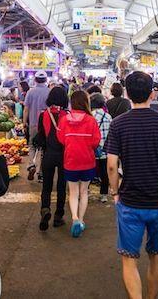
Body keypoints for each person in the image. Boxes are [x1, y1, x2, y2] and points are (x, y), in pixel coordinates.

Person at [105, 71, 158, 299]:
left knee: (129, 258)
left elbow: (112, 165)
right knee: (157, 256)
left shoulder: (118, 124)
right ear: (152, 94)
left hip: (130, 201)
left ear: (127, 93)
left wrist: (115, 191)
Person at [57, 91, 101, 237]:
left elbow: (61, 139)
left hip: (70, 160)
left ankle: (74, 218)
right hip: (87, 161)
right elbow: (96, 142)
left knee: (73, 192)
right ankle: (81, 220)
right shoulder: (91, 120)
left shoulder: (64, 119)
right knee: (84, 192)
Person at [37, 86, 69, 231]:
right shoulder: (67, 115)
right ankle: (58, 216)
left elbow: (40, 136)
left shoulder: (43, 115)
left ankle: (45, 209)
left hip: (48, 154)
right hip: (64, 155)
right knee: (62, 186)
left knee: (47, 186)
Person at [24, 70, 51, 181]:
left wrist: (24, 122)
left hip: (33, 123)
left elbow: (26, 109)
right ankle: (40, 173)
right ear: (46, 80)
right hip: (46, 125)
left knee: (32, 145)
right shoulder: (49, 92)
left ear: (35, 80)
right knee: (43, 148)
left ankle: (31, 165)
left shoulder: (31, 92)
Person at [90, 92, 112, 203]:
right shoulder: (108, 116)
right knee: (104, 174)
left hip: (92, 150)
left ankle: (86, 191)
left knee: (90, 172)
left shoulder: (89, 116)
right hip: (105, 151)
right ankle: (103, 195)